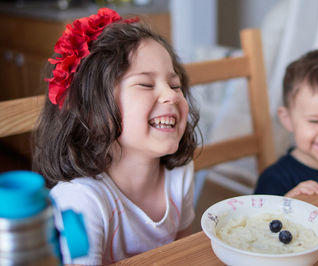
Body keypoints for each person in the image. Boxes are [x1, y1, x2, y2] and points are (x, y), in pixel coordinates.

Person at [32, 8, 199, 265]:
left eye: (175, 85)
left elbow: (183, 253)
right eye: (145, 84)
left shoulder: (181, 173)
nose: (172, 95)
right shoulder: (80, 202)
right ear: (93, 109)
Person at [254, 50, 318, 197]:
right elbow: (260, 218)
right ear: (288, 119)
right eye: (314, 121)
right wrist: (286, 203)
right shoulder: (275, 178)